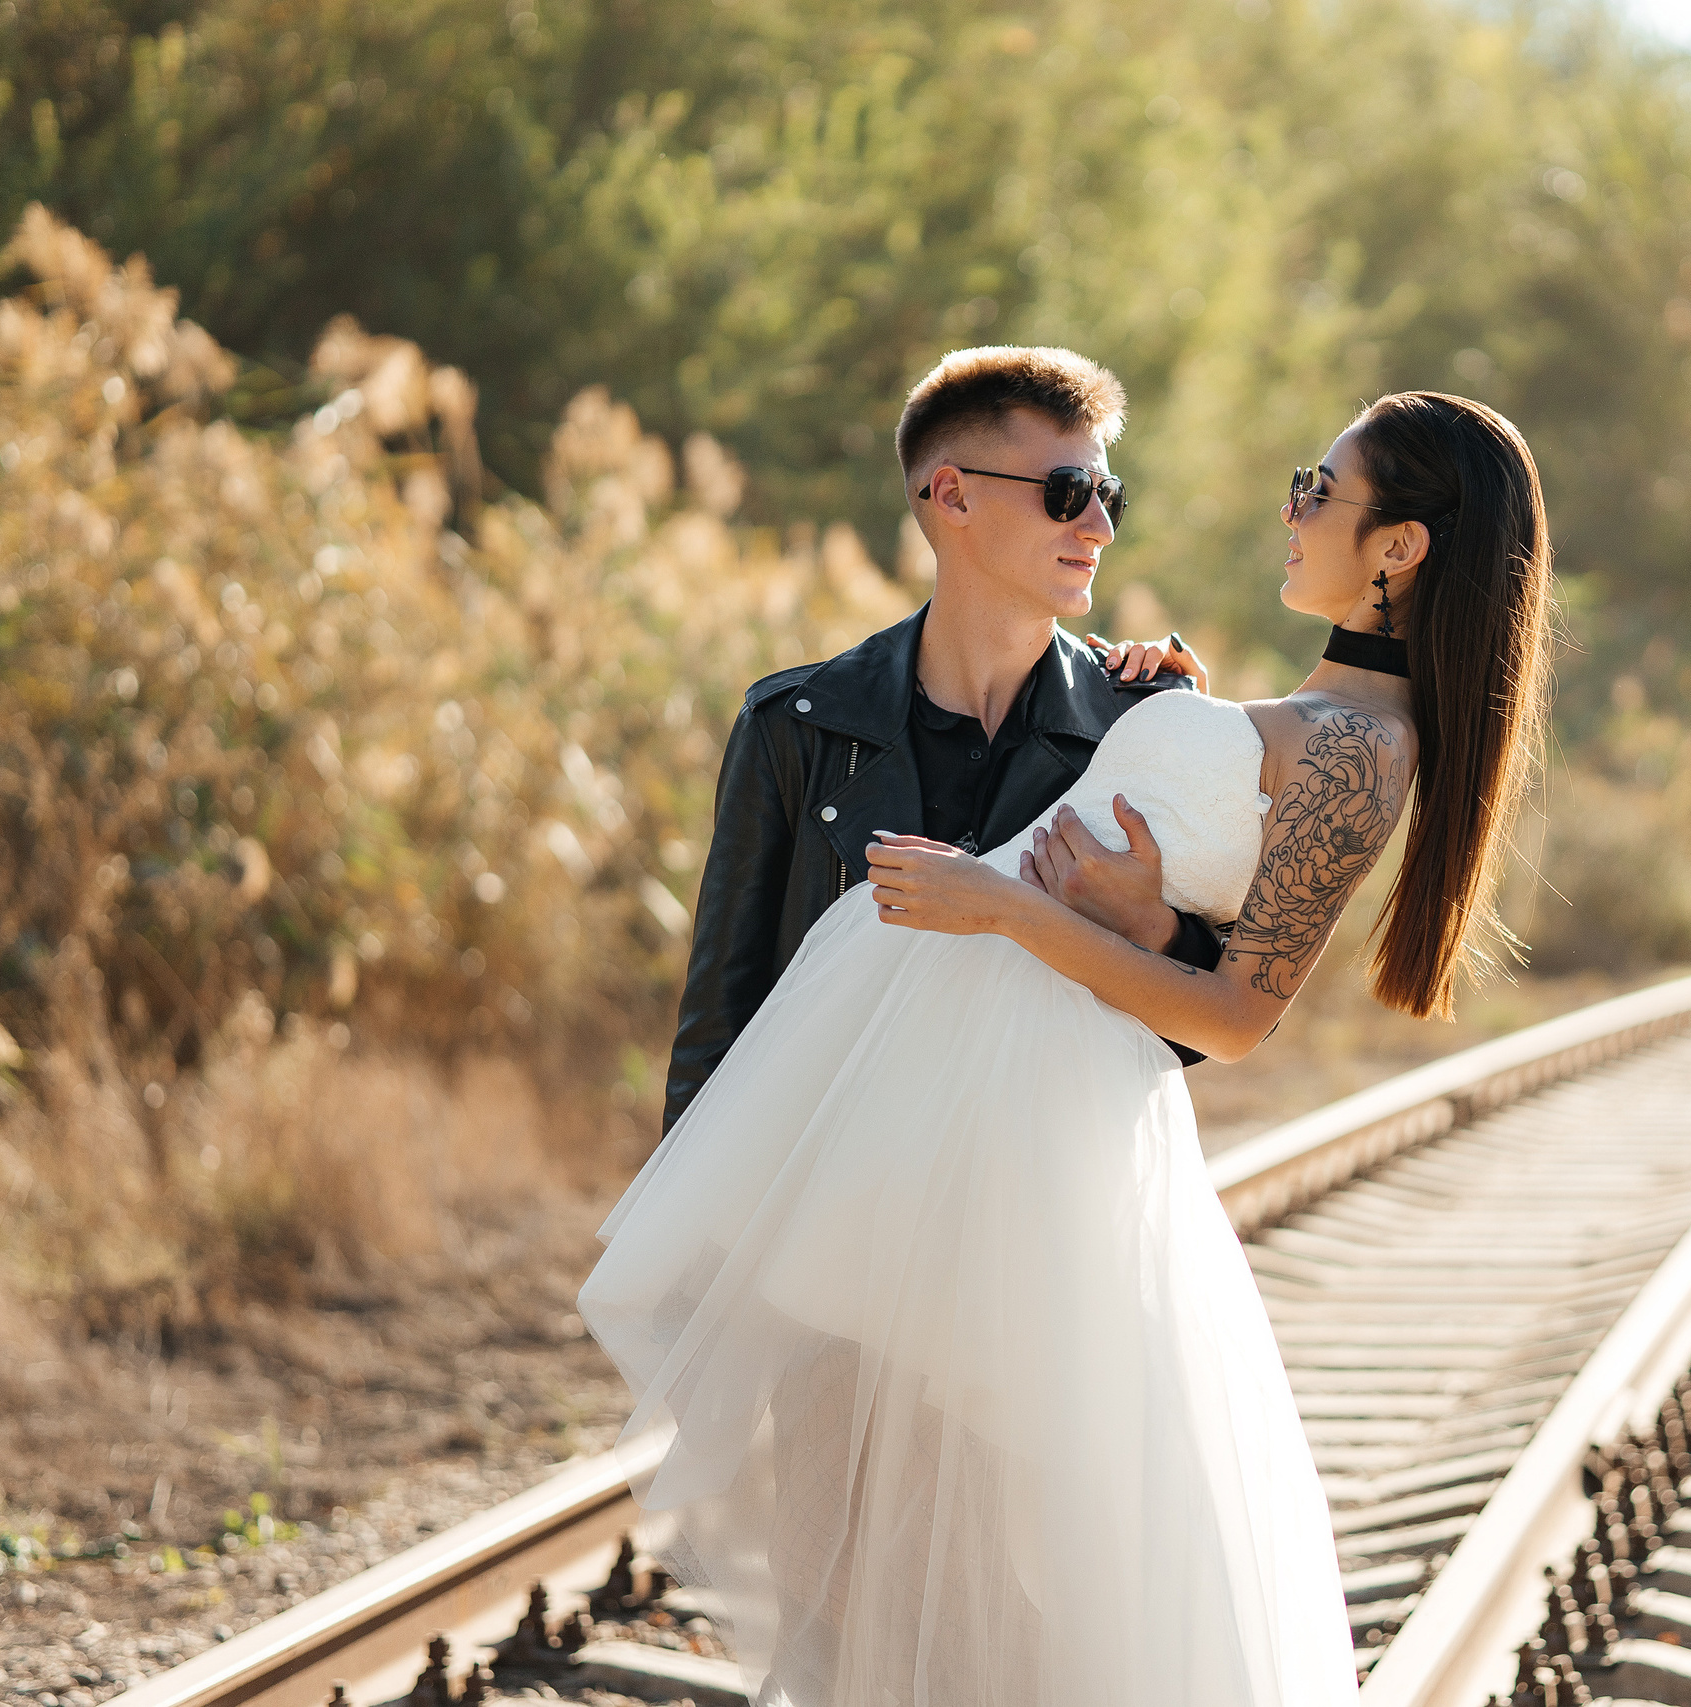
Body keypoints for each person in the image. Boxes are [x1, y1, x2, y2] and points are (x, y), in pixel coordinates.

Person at [580, 389, 1553, 1707]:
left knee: (982, 1590)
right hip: (908, 1111)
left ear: (1400, 547)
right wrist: (1176, 738)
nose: (1293, 507)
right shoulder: (1298, 711)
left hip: (1020, 1143)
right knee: (853, 1595)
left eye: (1319, 490)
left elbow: (1235, 1015)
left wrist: (1006, 906)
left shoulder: (1366, 752)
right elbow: (1193, 854)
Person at [663, 345, 1225, 1132]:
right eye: (1067, 492)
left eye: (1110, 495)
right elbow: (720, 1025)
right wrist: (701, 1244)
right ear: (953, 496)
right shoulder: (794, 727)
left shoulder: (1141, 720)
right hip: (830, 1188)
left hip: (1045, 1193)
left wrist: (1153, 924)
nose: (1098, 527)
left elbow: (1212, 1024)